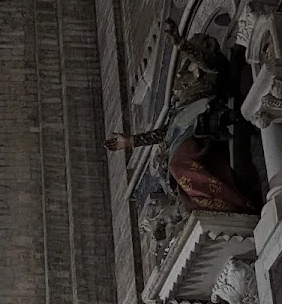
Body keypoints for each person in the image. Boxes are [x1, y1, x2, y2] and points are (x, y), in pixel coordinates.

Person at [105, 18, 255, 213]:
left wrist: (181, 43)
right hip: (183, 133)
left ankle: (230, 199)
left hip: (204, 123)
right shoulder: (183, 99)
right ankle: (218, 202)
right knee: (178, 177)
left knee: (179, 164)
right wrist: (131, 141)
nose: (187, 66)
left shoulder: (214, 70)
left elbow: (207, 62)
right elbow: (166, 131)